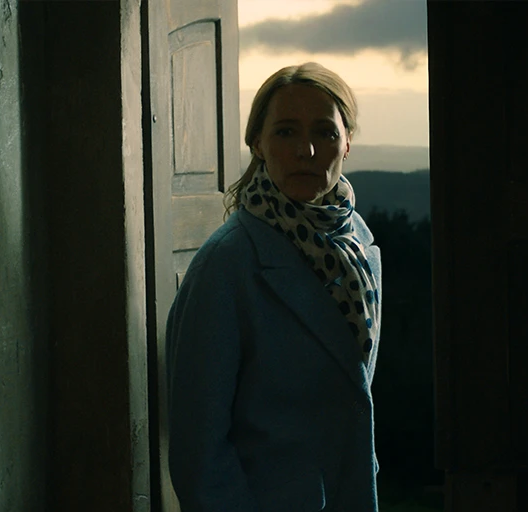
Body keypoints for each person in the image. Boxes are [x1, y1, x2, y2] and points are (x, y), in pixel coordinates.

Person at [165, 62, 383, 512]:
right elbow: (198, 449)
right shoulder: (227, 264)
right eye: (285, 132)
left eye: (324, 132)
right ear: (257, 144)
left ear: (347, 143)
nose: (306, 150)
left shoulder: (357, 246)